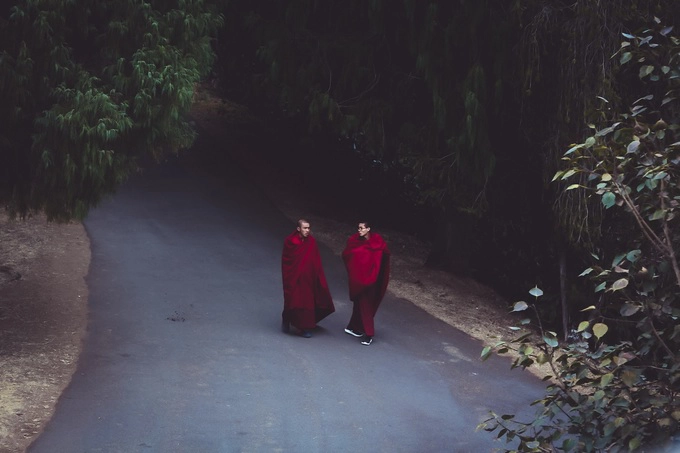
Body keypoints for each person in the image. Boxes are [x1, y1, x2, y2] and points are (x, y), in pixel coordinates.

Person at [281, 219, 335, 338]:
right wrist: (291, 276)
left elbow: (316, 260)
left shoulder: (311, 242)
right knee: (292, 299)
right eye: (305, 228)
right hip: (294, 277)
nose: (307, 230)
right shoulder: (291, 242)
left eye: (309, 228)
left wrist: (317, 276)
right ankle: (286, 319)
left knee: (306, 303)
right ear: (298, 229)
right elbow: (287, 261)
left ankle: (303, 327)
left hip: (308, 278)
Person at [342, 221, 390, 345]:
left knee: (365, 305)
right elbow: (348, 254)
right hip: (360, 279)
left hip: (372, 280)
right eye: (358, 228)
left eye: (362, 228)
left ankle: (361, 330)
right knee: (361, 304)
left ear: (368, 229)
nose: (359, 230)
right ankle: (361, 330)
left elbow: (385, 254)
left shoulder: (377, 241)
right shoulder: (355, 241)